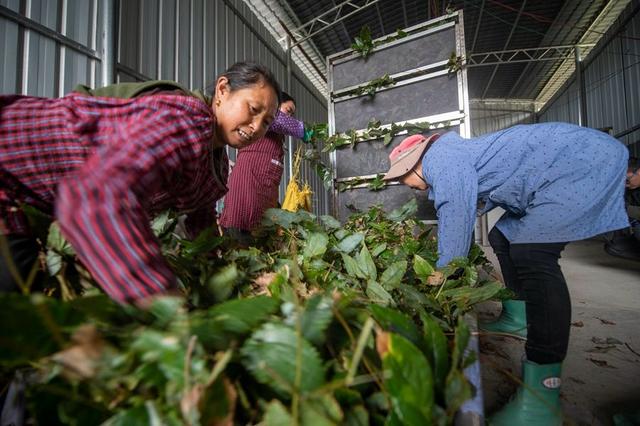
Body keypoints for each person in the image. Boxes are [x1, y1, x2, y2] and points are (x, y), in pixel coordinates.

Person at [383, 123, 629, 425]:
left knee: (533, 254)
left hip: (582, 162)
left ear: (416, 163)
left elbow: (455, 216)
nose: (406, 184)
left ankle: (541, 397)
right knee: (504, 236)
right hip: (566, 163)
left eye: (403, 177)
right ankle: (518, 317)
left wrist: (445, 275)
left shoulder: (440, 160)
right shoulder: (450, 155)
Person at [0, 61, 281, 304]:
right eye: (253, 108)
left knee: (23, 296)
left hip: (33, 200)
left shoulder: (214, 162)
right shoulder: (184, 120)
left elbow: (202, 227)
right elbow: (101, 196)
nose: (256, 126)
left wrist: (230, 278)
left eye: (267, 122)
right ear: (222, 90)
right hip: (13, 155)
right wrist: (159, 296)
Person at [219, 92, 306, 245]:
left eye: (292, 114)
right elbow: (278, 118)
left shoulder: (278, 135)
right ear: (275, 105)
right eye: (288, 111)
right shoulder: (267, 117)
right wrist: (302, 129)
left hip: (264, 191)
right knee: (241, 231)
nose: (290, 117)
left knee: (263, 235)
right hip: (248, 184)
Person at [604, 157, 640, 261]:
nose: (625, 184)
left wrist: (626, 210)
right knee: (615, 247)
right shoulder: (630, 190)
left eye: (627, 180)